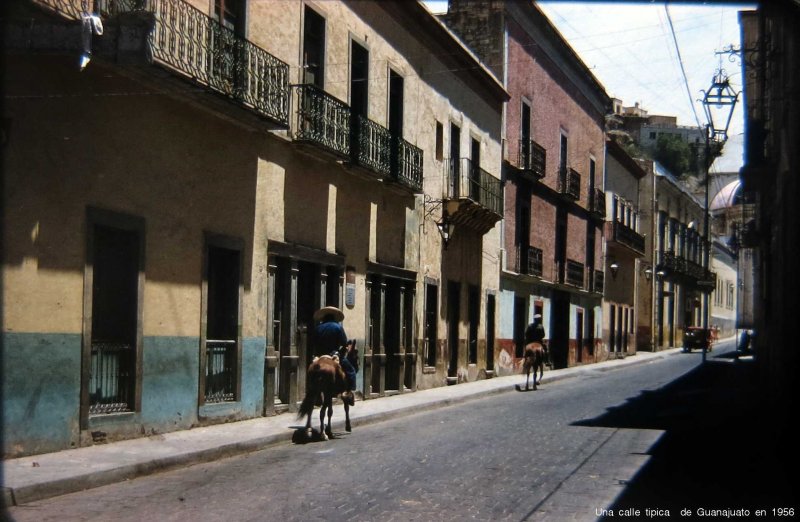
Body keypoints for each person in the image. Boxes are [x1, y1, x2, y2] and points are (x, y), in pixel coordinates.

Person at [312, 306, 357, 391]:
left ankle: (313, 392)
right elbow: (344, 343)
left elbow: (314, 342)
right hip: (333, 355)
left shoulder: (317, 328)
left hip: (319, 355)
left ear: (324, 317)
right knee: (351, 371)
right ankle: (349, 391)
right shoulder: (338, 327)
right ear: (334, 317)